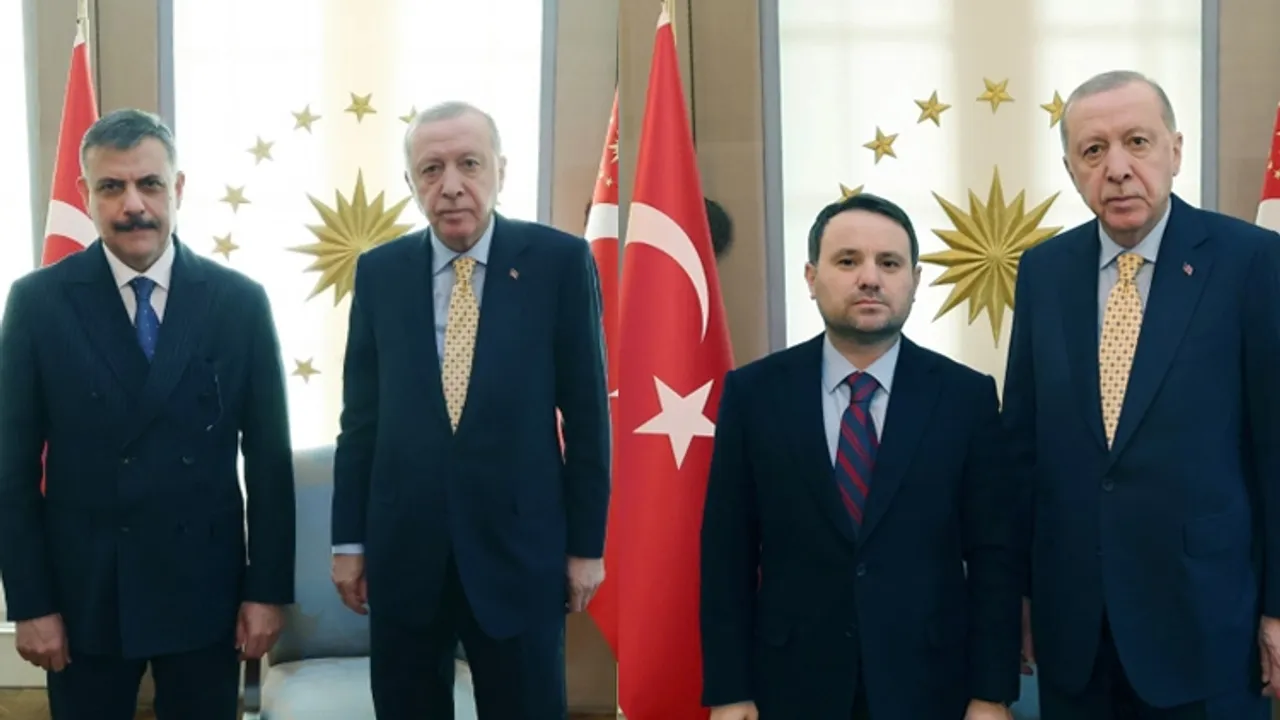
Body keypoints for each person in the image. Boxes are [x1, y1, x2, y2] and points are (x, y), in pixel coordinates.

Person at [0, 108, 296, 719]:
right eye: (112, 186)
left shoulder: (238, 303)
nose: (133, 204)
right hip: (84, 595)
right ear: (85, 193)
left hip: (205, 590)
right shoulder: (38, 304)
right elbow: (11, 469)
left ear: (177, 188)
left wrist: (266, 592)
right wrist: (30, 603)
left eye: (150, 184)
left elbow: (269, 463)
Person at [1003, 70, 1280, 719]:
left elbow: (1275, 447)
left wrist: (1278, 607)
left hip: (1208, 627)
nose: (1118, 168)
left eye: (1137, 141)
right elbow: (1022, 449)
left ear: (1175, 151)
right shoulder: (1044, 272)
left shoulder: (1252, 262)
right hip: (1075, 633)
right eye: (1093, 150)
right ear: (1071, 169)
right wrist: (1017, 593)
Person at [330, 100, 610, 719]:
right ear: (411, 183)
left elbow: (589, 419)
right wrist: (348, 542)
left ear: (501, 171)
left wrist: (586, 547)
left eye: (469, 164)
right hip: (405, 554)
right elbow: (360, 423)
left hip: (521, 552)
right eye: (431, 169)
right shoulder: (379, 273)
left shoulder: (560, 263)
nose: (451, 185)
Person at [699, 192, 1022, 719]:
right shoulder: (754, 394)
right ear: (811, 277)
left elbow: (994, 557)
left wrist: (991, 694)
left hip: (931, 685)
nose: (870, 278)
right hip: (790, 684)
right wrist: (729, 690)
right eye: (848, 261)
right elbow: (726, 552)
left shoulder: (966, 398)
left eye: (889, 263)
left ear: (914, 280)